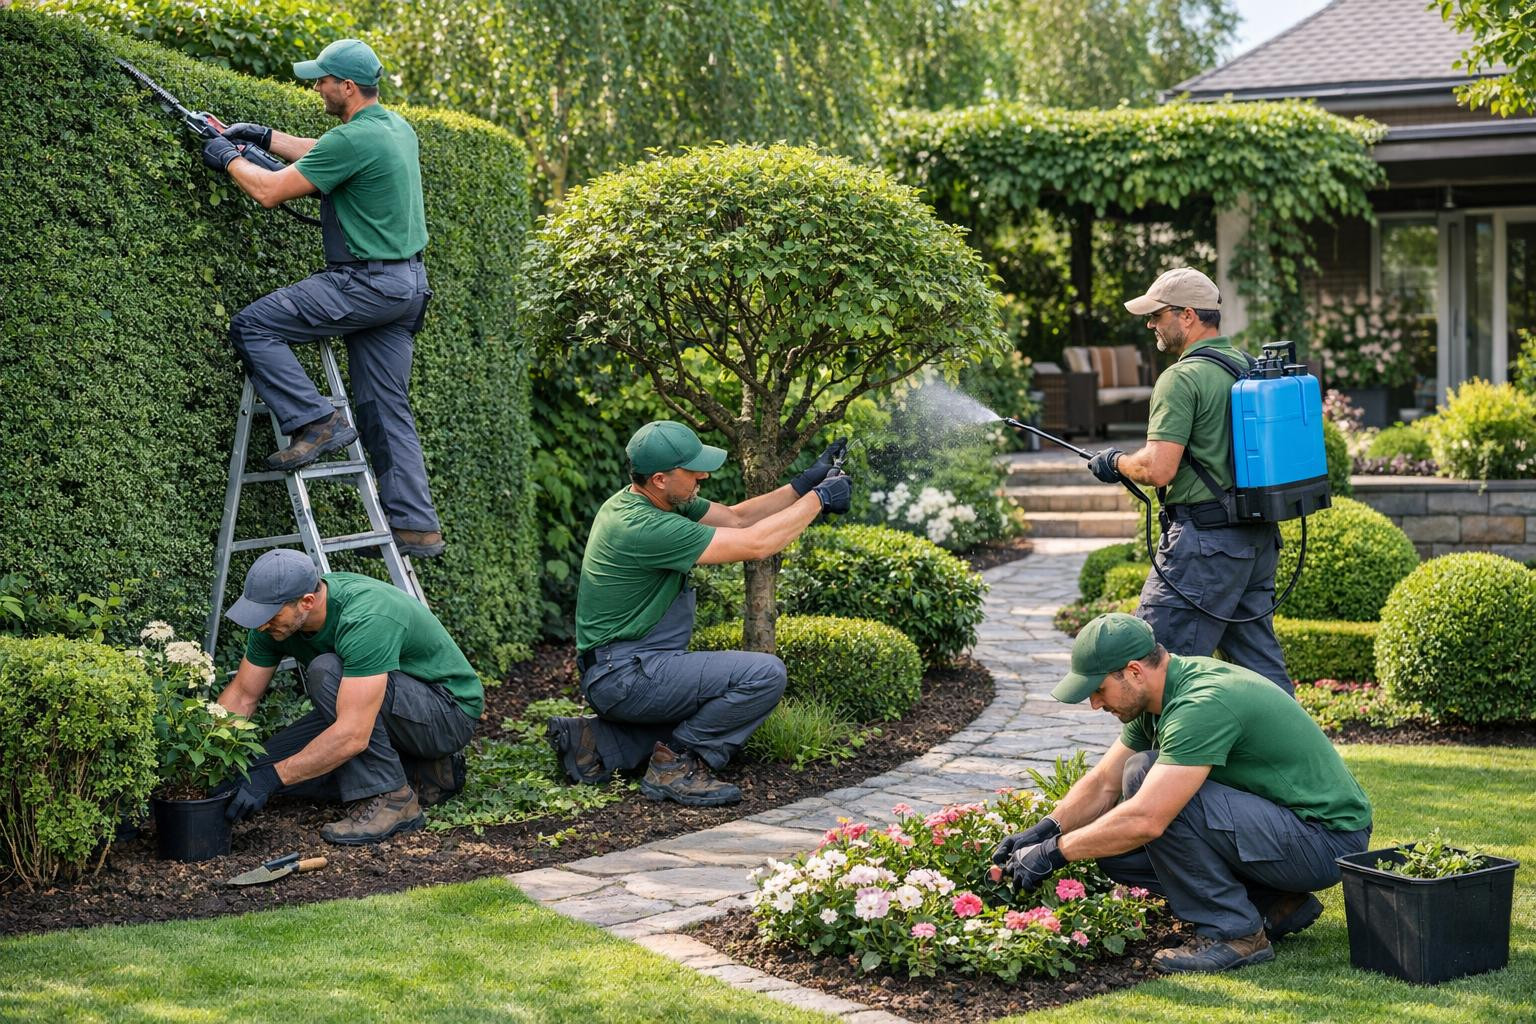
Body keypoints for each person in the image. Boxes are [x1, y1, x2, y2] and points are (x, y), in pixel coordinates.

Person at [992, 613, 1372, 973]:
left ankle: (1235, 933)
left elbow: (1146, 818)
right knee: (1116, 852)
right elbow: (1104, 781)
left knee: (1144, 778)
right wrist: (1046, 830)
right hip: (1289, 830)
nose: (1095, 703)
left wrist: (1055, 852)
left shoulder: (1201, 704)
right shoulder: (1159, 695)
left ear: (1134, 672)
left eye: (1099, 689)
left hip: (1325, 841)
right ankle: (1274, 903)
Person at [201, 39, 443, 559]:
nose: (316, 87)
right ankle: (415, 527)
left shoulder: (353, 139)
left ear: (347, 87)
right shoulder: (394, 128)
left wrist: (228, 159)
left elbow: (268, 191)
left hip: (366, 284)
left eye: (323, 80)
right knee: (385, 408)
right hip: (407, 288)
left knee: (253, 326)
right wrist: (263, 136)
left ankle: (316, 420)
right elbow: (326, 151)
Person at [546, 420, 853, 807]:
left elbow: (739, 518)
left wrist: (804, 483)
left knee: (709, 710)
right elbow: (756, 543)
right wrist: (819, 500)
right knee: (764, 675)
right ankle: (674, 767)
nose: (703, 475)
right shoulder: (645, 526)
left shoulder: (642, 499)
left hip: (623, 667)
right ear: (660, 479)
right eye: (693, 471)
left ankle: (593, 742)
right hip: (623, 675)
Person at [1084, 267, 1292, 693]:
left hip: (1203, 549)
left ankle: (1154, 744)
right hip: (1255, 542)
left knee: (1148, 670)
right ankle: (1296, 739)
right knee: (1262, 675)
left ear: (1188, 316)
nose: (1151, 325)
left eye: (1157, 315)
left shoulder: (1181, 378)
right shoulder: (1246, 367)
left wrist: (1116, 462)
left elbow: (1158, 469)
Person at [216, 548, 482, 844]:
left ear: (307, 602)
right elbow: (242, 695)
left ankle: (394, 799)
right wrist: (209, 760)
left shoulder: (366, 616)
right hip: (369, 705)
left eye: (270, 615)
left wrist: (274, 778)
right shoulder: (272, 623)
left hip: (446, 713)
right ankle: (423, 773)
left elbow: (353, 735)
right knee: (252, 772)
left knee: (325, 672)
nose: (261, 624)